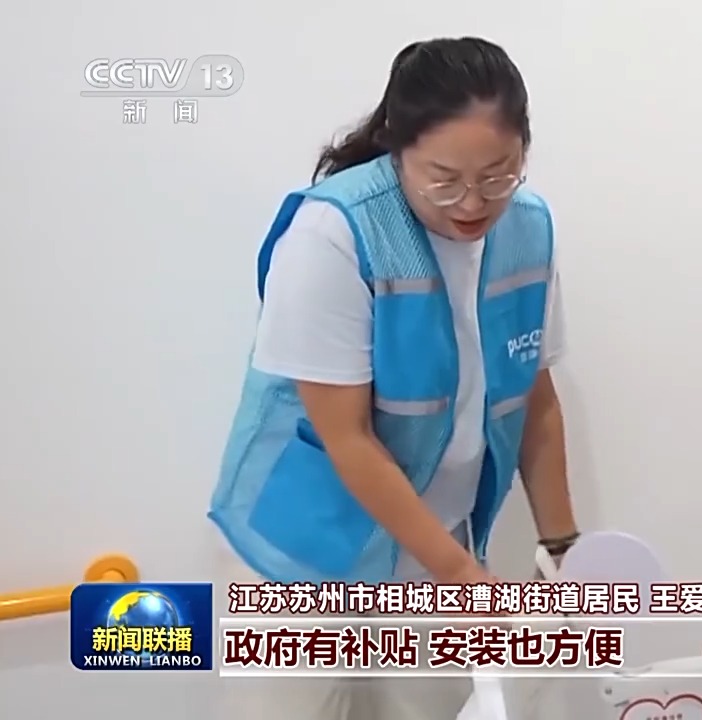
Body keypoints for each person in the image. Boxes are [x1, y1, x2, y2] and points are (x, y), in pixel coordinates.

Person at [208, 37, 579, 720]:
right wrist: (461, 575)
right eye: (444, 179)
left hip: (429, 549)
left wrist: (564, 551)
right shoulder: (333, 233)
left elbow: (536, 402)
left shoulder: (529, 230)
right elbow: (347, 438)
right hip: (300, 558)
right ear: (396, 149)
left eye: (498, 175)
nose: (472, 201)